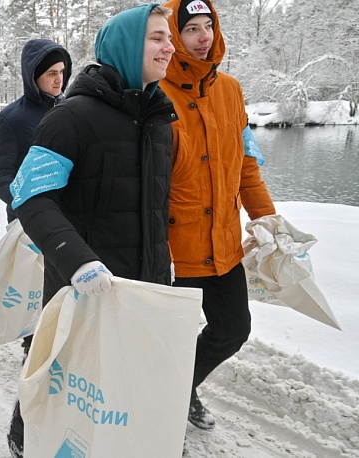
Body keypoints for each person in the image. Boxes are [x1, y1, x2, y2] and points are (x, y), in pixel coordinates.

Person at [7, 5, 177, 457]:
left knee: (120, 384)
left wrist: (164, 261)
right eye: (157, 38)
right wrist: (76, 259)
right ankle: (25, 434)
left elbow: (156, 204)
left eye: (169, 37)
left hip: (140, 285)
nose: (170, 47)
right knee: (62, 371)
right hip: (81, 284)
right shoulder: (73, 117)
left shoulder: (162, 122)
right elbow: (29, 194)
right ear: (126, 45)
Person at [159, 0, 277, 432]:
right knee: (164, 340)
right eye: (191, 28)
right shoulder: (155, 91)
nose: (203, 36)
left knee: (232, 329)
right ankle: (157, 416)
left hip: (223, 243)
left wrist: (265, 217)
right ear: (173, 35)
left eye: (208, 25)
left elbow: (246, 161)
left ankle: (181, 387)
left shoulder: (229, 89)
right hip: (174, 248)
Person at [0, 38, 72, 224]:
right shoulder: (11, 119)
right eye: (51, 73)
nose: (60, 79)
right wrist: (25, 204)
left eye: (62, 72)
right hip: (28, 223)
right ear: (33, 76)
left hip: (70, 219)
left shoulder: (72, 111)